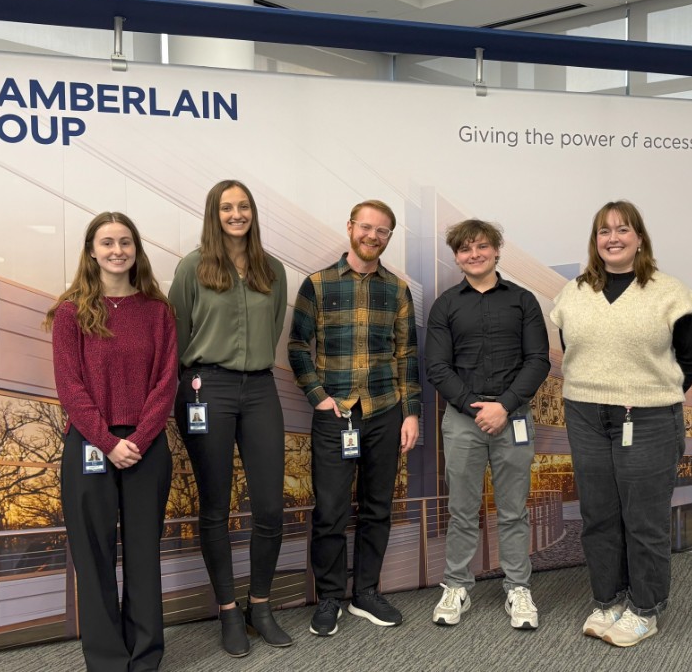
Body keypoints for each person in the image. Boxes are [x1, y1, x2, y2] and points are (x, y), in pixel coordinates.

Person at [549, 200, 692, 649]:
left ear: (640, 237)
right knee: (598, 514)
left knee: (644, 519)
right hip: (584, 413)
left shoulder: (671, 293)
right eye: (603, 231)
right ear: (594, 241)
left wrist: (650, 393)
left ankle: (645, 608)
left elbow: (690, 359)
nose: (612, 238)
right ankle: (608, 599)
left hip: (649, 417)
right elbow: (575, 351)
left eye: (622, 229)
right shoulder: (574, 292)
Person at [44, 211, 178, 672]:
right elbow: (70, 387)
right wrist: (106, 441)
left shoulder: (158, 312)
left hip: (147, 444)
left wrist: (137, 439)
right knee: (94, 554)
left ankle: (144, 656)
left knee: (143, 552)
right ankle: (106, 660)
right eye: (107, 243)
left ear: (136, 250)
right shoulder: (70, 313)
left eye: (125, 242)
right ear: (91, 251)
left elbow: (166, 382)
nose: (117, 250)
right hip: (88, 445)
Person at [287, 199, 421, 637]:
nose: (373, 236)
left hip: (385, 410)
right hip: (336, 414)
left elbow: (407, 355)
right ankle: (329, 597)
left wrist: (411, 413)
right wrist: (318, 396)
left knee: (378, 507)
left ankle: (366, 592)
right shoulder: (318, 284)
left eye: (382, 231)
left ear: (388, 238)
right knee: (330, 510)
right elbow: (296, 347)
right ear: (350, 228)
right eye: (366, 227)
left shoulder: (398, 290)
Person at [168, 180, 291, 657]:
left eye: (243, 207)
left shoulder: (272, 269)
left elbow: (274, 324)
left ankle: (259, 606)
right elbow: (177, 332)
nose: (236, 214)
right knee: (215, 507)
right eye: (227, 207)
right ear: (213, 214)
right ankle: (226, 611)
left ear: (252, 213)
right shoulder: (192, 267)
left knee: (269, 508)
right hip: (206, 389)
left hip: (260, 388)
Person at [425, 219, 550, 630]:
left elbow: (538, 362)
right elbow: (437, 367)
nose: (473, 254)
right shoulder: (445, 305)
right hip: (462, 421)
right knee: (462, 510)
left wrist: (505, 407)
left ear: (497, 250)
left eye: (481, 246)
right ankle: (457, 585)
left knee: (513, 511)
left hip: (513, 419)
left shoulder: (523, 301)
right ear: (456, 256)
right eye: (465, 249)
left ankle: (518, 587)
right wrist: (476, 408)